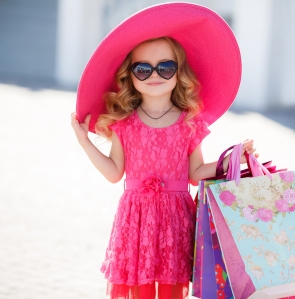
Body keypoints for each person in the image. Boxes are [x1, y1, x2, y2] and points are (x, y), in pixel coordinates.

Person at [71, 3, 254, 299]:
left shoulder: (188, 124)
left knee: (172, 289)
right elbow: (114, 174)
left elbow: (196, 174)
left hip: (176, 221)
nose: (154, 75)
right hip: (136, 220)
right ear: (129, 76)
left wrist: (232, 158)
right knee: (139, 288)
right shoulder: (124, 125)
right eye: (142, 69)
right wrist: (85, 142)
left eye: (165, 67)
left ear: (178, 72)